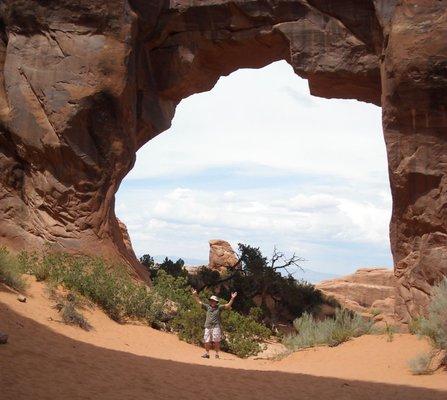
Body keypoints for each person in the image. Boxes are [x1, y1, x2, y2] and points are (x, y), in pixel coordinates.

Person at [192, 289, 237, 359]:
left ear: (216, 302)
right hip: (207, 326)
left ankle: (217, 354)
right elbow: (199, 302)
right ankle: (207, 354)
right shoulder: (207, 307)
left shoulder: (219, 307)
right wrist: (195, 295)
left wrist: (232, 298)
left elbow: (228, 305)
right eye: (211, 300)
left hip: (216, 326)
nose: (212, 302)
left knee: (216, 341)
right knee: (206, 341)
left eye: (214, 301)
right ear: (210, 301)